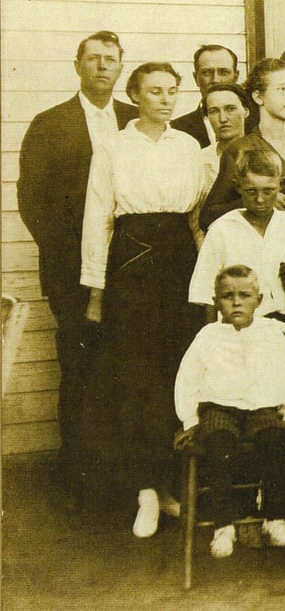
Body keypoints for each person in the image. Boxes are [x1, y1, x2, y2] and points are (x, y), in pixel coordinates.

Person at [79, 61, 206, 537]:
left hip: (178, 262)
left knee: (178, 372)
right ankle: (146, 492)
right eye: (155, 91)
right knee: (136, 378)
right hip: (131, 262)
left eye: (172, 91)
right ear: (135, 95)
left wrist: (202, 280)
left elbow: (195, 219)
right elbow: (98, 220)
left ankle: (174, 485)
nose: (166, 99)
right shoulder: (113, 146)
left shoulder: (188, 146)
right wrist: (97, 294)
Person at [17, 30, 137, 505]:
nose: (103, 67)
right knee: (81, 365)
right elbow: (32, 202)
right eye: (94, 59)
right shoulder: (50, 125)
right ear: (77, 65)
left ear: (120, 68)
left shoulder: (133, 119)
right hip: (72, 273)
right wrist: (78, 257)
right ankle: (79, 474)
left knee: (126, 367)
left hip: (129, 272)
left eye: (111, 60)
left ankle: (125, 475)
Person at [174, 265, 285, 557]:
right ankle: (223, 526)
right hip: (219, 407)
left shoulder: (272, 334)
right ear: (217, 300)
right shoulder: (208, 336)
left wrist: (284, 411)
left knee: (272, 440)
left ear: (259, 298)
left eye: (245, 295)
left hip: (262, 407)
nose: (237, 302)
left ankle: (274, 518)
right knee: (219, 444)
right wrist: (189, 419)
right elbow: (188, 378)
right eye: (228, 296)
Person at [200, 58, 285, 240]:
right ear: (258, 96)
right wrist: (255, 202)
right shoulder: (241, 149)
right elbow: (208, 216)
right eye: (281, 89)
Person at [189, 148, 285, 322]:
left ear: (281, 185)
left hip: (283, 325)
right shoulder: (222, 229)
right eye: (251, 191)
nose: (260, 199)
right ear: (238, 186)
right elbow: (206, 293)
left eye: (268, 191)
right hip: (235, 328)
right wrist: (213, 337)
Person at [192, 83, 253, 249]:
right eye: (214, 111)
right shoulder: (199, 160)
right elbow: (195, 219)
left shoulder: (262, 154)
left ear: (246, 111)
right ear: (206, 117)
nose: (223, 118)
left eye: (230, 109)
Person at [172, 44, 241, 148]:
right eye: (207, 73)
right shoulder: (176, 129)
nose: (215, 80)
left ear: (236, 77)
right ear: (196, 78)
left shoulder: (256, 125)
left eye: (224, 72)